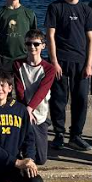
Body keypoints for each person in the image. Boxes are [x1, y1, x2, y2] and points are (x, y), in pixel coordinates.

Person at [45, 0, 92, 151]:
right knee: (59, 99)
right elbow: (50, 36)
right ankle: (59, 133)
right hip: (60, 61)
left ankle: (76, 135)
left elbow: (91, 39)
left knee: (80, 100)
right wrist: (54, 62)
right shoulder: (55, 7)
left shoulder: (86, 10)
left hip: (81, 62)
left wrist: (89, 64)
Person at [14, 30, 55, 165]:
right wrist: (26, 109)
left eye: (36, 44)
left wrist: (31, 108)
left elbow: (42, 91)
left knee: (41, 159)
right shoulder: (18, 64)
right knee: (25, 154)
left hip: (39, 112)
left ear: (43, 46)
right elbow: (19, 89)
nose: (32, 47)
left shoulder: (49, 68)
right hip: (23, 111)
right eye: (29, 44)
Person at [0, 0, 38, 71]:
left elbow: (35, 37)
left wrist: (33, 55)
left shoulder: (29, 13)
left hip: (24, 57)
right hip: (4, 59)